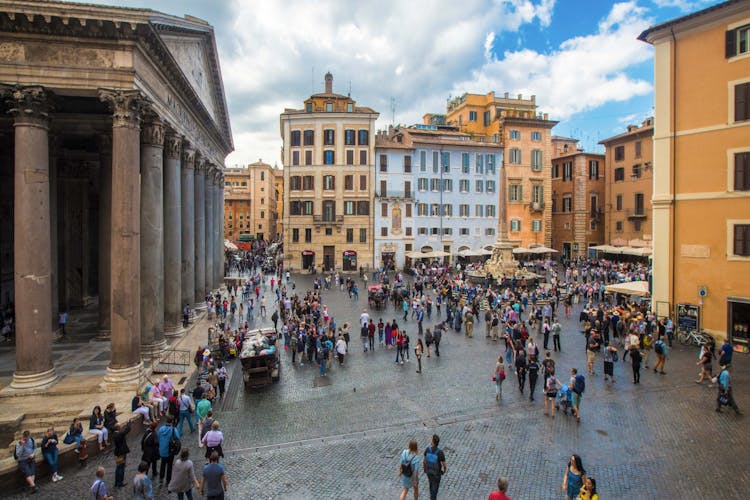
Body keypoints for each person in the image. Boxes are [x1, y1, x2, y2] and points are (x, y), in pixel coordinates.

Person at [158, 416, 180, 487]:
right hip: (170, 451)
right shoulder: (173, 430)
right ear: (172, 422)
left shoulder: (161, 429)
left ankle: (161, 478)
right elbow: (177, 438)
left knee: (162, 464)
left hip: (162, 450)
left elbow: (158, 438)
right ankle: (168, 480)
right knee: (169, 466)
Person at [423, 434, 446, 500]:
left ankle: (432, 496)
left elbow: (424, 461)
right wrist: (444, 471)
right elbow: (444, 465)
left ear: (432, 441)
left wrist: (425, 469)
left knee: (431, 484)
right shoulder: (440, 452)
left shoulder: (427, 449)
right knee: (435, 489)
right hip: (437, 474)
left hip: (429, 471)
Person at [15, 430, 38, 494]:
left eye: (27, 438)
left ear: (29, 436)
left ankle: (32, 486)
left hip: (31, 459)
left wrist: (33, 454)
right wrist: (22, 446)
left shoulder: (32, 440)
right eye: (24, 438)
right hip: (23, 460)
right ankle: (33, 486)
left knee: (32, 472)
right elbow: (18, 454)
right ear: (23, 436)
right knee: (27, 472)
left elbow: (35, 448)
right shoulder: (19, 444)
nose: (26, 439)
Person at [112, 421, 132, 488]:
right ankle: (120, 483)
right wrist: (129, 424)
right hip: (122, 453)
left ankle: (116, 482)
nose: (121, 426)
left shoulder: (115, 433)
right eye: (120, 426)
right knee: (121, 468)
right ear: (118, 428)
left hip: (118, 452)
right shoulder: (119, 434)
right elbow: (126, 431)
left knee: (118, 468)